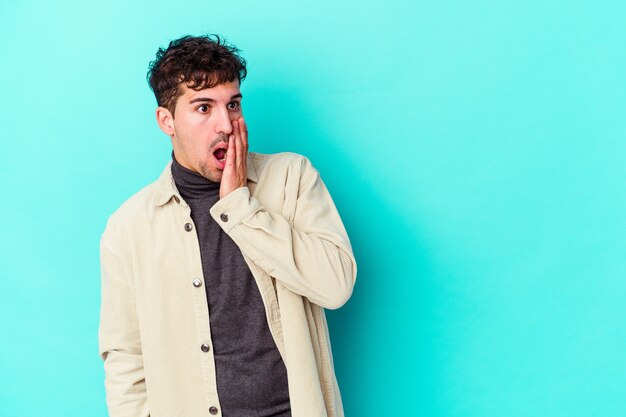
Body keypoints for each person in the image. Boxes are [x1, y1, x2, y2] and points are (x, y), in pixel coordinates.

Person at [98, 34, 357, 417]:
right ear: (166, 121)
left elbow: (336, 286)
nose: (226, 124)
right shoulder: (128, 227)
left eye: (233, 104)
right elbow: (125, 359)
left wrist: (240, 207)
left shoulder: (292, 178)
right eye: (204, 108)